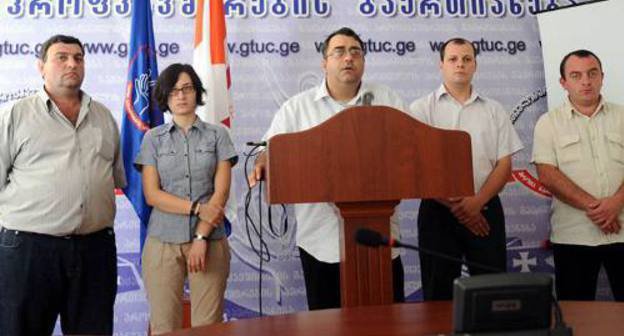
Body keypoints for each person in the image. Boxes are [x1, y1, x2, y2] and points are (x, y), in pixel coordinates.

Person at [248, 27, 406, 310]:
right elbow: (266, 148)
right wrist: (263, 160)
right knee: (328, 324)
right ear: (325, 62)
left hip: (379, 239)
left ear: (363, 61)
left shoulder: (387, 100)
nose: (348, 58)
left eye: (355, 52)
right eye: (340, 52)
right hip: (320, 240)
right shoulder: (297, 108)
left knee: (387, 322)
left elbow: (412, 149)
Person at [0, 35, 125, 335]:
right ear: (41, 67)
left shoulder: (103, 117)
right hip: (29, 249)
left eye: (78, 58)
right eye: (62, 57)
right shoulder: (15, 115)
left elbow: (116, 178)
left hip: (94, 250)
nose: (72, 63)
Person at [409, 37, 523, 300]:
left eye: (467, 59)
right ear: (441, 65)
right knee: (438, 292)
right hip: (437, 212)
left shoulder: (494, 110)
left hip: (486, 208)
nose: (460, 64)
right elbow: (418, 168)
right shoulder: (421, 109)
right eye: (453, 59)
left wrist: (476, 203)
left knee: (491, 290)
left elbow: (504, 165)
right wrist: (459, 208)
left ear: (475, 65)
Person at [134, 63, 238, 334]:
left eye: (187, 88)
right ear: (165, 98)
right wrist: (196, 208)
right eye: (174, 91)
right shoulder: (152, 139)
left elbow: (221, 194)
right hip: (162, 242)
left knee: (208, 326)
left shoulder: (218, 135)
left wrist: (201, 238)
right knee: (164, 326)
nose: (181, 96)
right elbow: (152, 194)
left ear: (197, 93)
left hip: (210, 241)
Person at [532, 49, 624, 301]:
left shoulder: (622, 116)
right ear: (563, 82)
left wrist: (616, 203)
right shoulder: (548, 123)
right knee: (576, 314)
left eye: (592, 73)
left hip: (623, 231)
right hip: (574, 235)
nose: (586, 81)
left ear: (602, 77)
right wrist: (600, 209)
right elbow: (547, 174)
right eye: (576, 75)